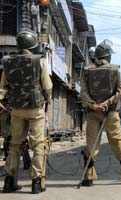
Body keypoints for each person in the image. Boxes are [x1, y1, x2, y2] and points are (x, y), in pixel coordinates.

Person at [0, 29, 52, 194]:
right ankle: (36, 183)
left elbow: (3, 88)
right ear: (33, 44)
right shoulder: (40, 61)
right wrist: (48, 99)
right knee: (38, 145)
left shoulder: (7, 61)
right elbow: (48, 86)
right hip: (36, 109)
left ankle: (9, 182)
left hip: (16, 109)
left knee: (15, 145)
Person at [80, 40, 121, 186]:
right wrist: (108, 103)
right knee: (117, 142)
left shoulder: (87, 71)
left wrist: (94, 105)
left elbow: (83, 93)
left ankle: (88, 177)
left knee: (91, 144)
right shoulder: (115, 70)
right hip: (111, 113)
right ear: (108, 56)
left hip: (92, 113)